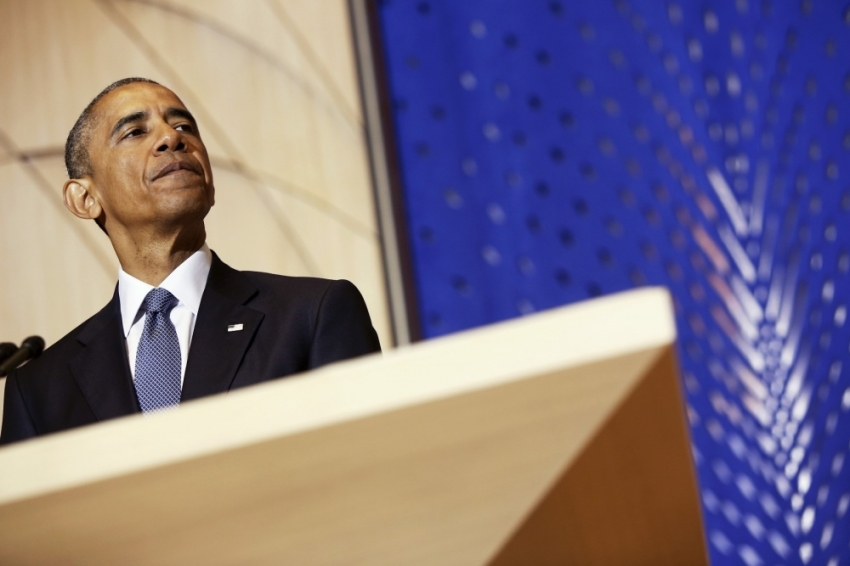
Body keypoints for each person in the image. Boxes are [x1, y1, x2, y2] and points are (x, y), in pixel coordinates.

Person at [0, 78, 381, 445]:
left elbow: (372, 468)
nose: (171, 138)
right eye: (135, 132)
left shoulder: (312, 315)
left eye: (184, 125)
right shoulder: (38, 388)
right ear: (85, 198)